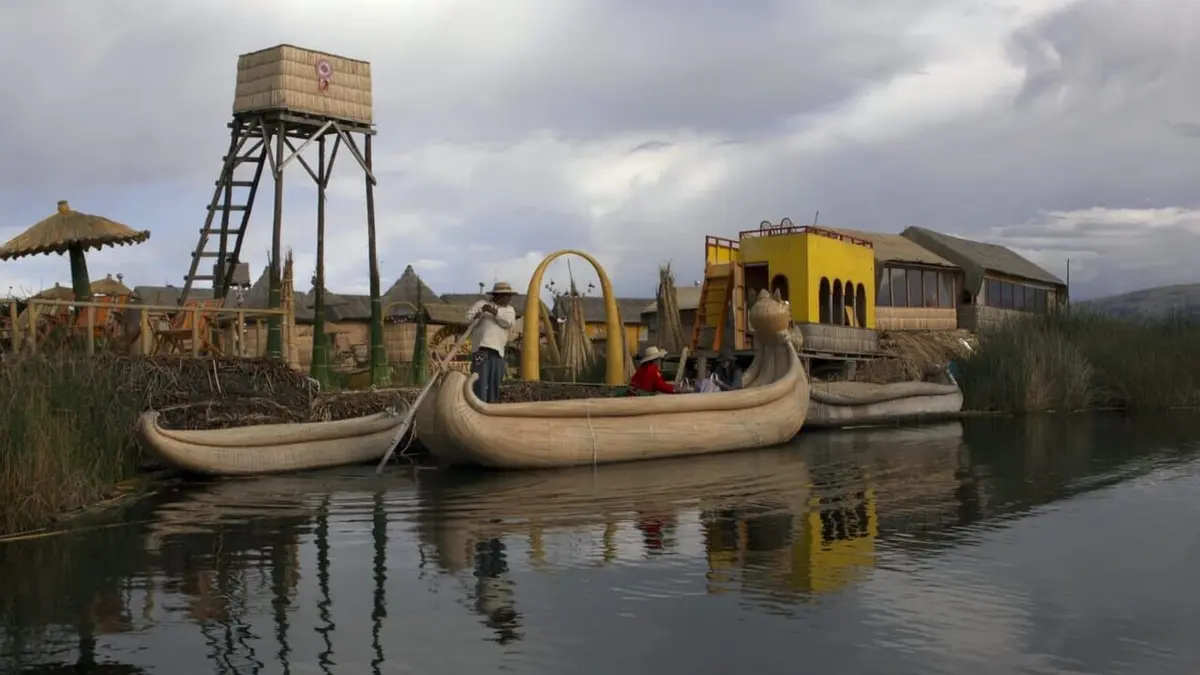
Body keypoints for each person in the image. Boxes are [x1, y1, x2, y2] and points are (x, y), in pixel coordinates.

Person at [465, 281, 517, 403]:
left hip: (498, 352)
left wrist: (493, 311)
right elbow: (467, 319)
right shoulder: (481, 304)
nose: (508, 298)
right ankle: (477, 406)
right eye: (505, 295)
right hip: (481, 350)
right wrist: (477, 316)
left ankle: (492, 407)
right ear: (496, 295)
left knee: (495, 383)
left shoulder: (509, 310)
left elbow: (508, 323)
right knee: (479, 381)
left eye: (509, 295)